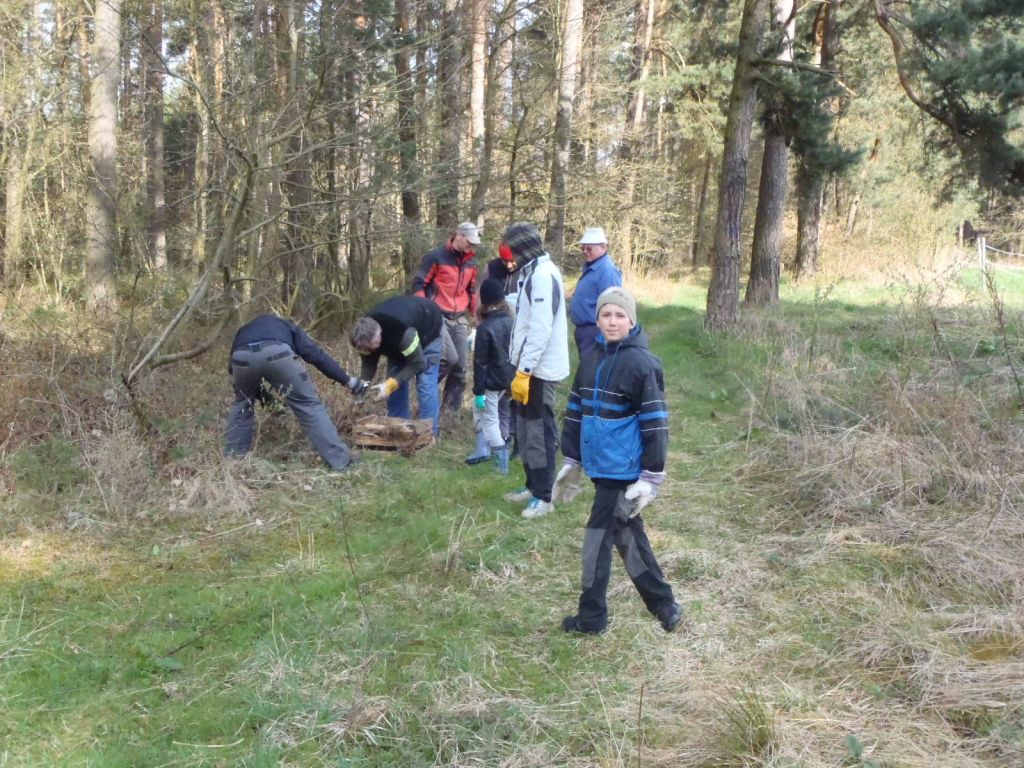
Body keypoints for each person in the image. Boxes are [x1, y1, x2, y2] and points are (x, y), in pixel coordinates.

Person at [551, 286, 682, 635]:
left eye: (620, 315)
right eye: (606, 314)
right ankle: (664, 605)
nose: (612, 321)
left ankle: (591, 618)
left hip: (622, 469)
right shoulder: (590, 357)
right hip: (600, 464)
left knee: (596, 541)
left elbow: (655, 424)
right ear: (597, 319)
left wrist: (650, 477)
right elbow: (575, 408)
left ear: (631, 321)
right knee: (626, 534)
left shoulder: (642, 364)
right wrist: (573, 458)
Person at [224, 314, 362, 470]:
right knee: (308, 405)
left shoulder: (244, 330)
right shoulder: (286, 325)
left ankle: (233, 463)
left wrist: (264, 398)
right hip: (278, 353)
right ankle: (341, 461)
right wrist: (347, 380)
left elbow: (232, 370)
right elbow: (315, 355)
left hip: (241, 358)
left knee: (242, 405)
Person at [500, 222, 570, 518]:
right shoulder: (530, 273)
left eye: (511, 249)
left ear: (522, 248)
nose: (509, 256)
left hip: (539, 370)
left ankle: (544, 496)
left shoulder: (543, 275)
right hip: (527, 368)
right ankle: (532, 485)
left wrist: (525, 371)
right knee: (526, 431)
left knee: (540, 433)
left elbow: (541, 329)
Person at [411, 221, 481, 413]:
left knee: (460, 367)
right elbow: (418, 284)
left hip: (459, 318)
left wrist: (476, 315)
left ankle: (449, 413)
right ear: (458, 235)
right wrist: (425, 312)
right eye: (469, 241)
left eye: (474, 242)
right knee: (449, 358)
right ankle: (426, 392)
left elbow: (471, 290)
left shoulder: (471, 263)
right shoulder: (435, 257)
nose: (471, 245)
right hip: (437, 316)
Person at [349, 295, 444, 435]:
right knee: (394, 386)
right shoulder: (364, 337)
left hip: (428, 329)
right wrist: (361, 390)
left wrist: (390, 385)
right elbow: (369, 365)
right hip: (398, 344)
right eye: (367, 349)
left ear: (379, 334)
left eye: (372, 346)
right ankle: (398, 431)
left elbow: (418, 363)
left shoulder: (402, 332)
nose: (370, 351)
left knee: (425, 383)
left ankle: (428, 434)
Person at [465, 279, 516, 472]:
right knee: (503, 415)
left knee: (490, 421)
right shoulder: (513, 322)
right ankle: (497, 450)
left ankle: (501, 465)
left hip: (492, 383)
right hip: (511, 380)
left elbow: (480, 363)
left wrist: (478, 392)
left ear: (484, 301)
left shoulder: (485, 328)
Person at [568, 227, 622, 359]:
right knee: (588, 367)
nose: (585, 252)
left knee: (594, 367)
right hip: (585, 331)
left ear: (603, 247)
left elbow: (613, 304)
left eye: (589, 248)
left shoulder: (607, 271)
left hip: (596, 332)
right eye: (583, 248)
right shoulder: (592, 268)